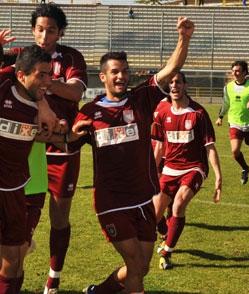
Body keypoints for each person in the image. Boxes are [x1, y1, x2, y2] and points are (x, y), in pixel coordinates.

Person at [68, 16, 194, 294]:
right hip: (111, 202)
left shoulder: (142, 98)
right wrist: (72, 136)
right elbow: (69, 142)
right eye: (114, 72)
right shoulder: (90, 111)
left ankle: (99, 291)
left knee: (142, 267)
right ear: (103, 77)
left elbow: (172, 68)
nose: (121, 76)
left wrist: (184, 38)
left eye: (124, 71)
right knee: (136, 265)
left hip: (142, 199)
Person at [0, 4, 88, 293]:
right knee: (20, 233)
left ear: (60, 32)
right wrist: (41, 100)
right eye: (39, 29)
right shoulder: (21, 58)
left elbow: (75, 92)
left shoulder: (71, 57)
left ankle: (54, 275)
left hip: (62, 145)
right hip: (28, 145)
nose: (44, 35)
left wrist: (41, 86)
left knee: (59, 216)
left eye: (51, 30)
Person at [151, 71, 222, 270]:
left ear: (185, 85)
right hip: (170, 168)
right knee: (154, 215)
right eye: (171, 83)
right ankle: (167, 235)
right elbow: (158, 147)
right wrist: (149, 173)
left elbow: (210, 147)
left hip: (194, 167)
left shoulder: (198, 113)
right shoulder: (161, 111)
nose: (174, 86)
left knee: (179, 204)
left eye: (178, 82)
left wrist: (218, 177)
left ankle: (167, 253)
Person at [0, 45, 52, 294]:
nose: (47, 81)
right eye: (41, 75)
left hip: (16, 188)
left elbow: (53, 132)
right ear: (21, 75)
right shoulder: (3, 88)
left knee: (14, 260)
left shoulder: (39, 105)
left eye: (49, 75)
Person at [215, 60, 249, 189]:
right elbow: (226, 104)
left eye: (237, 71)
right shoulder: (228, 87)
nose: (234, 73)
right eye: (233, 71)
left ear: (245, 72)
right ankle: (245, 168)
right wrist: (220, 116)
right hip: (235, 122)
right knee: (235, 151)